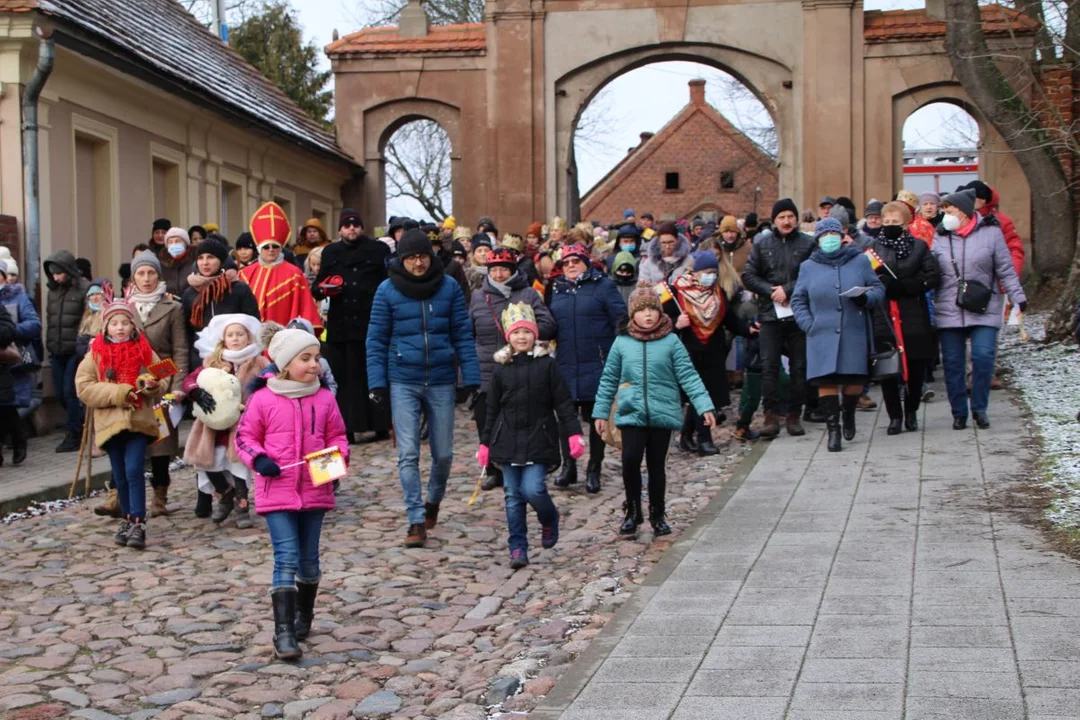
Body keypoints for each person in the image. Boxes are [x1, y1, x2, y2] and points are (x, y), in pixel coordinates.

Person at [235, 328, 348, 661]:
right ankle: (283, 633)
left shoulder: (325, 399)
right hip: (277, 493)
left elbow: (339, 438)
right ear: (285, 363)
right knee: (286, 558)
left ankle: (304, 615)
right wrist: (260, 459)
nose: (314, 365)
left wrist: (335, 460)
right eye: (306, 358)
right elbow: (244, 438)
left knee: (309, 562)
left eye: (316, 358)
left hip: (314, 491)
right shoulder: (263, 399)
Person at [366, 229, 480, 548]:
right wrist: (377, 382)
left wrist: (470, 376)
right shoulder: (387, 290)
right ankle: (415, 519)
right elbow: (375, 339)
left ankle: (433, 500)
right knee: (408, 453)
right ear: (402, 259)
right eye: (412, 257)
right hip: (403, 377)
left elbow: (462, 333)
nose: (418, 263)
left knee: (443, 454)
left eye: (423, 256)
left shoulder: (449, 288)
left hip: (442, 377)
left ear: (431, 257)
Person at [594, 282, 716, 537]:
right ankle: (632, 510)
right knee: (630, 461)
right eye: (642, 310)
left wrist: (704, 405)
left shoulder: (671, 342)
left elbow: (689, 376)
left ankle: (658, 513)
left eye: (652, 309)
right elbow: (608, 379)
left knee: (656, 466)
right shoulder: (622, 343)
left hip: (662, 412)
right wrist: (601, 411)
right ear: (632, 314)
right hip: (631, 412)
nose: (647, 315)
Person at [478, 303, 582, 569]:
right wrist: (485, 442)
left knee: (533, 489)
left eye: (527, 332)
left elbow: (563, 403)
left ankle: (549, 518)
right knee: (513, 497)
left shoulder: (547, 365)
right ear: (508, 336)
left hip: (539, 437)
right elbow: (492, 409)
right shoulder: (501, 369)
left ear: (535, 335)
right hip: (507, 441)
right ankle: (517, 548)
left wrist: (573, 434)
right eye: (516, 333)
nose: (522, 337)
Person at [932, 190, 1026, 429]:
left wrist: (1018, 298)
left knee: (983, 357)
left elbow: (1005, 269)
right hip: (949, 306)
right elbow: (932, 270)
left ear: (964, 211)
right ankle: (959, 412)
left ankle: (979, 407)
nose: (945, 214)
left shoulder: (991, 234)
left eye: (949, 210)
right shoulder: (940, 236)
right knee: (953, 362)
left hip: (984, 305)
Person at [75, 301, 165, 549]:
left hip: (139, 422)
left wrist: (151, 384)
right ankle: (126, 518)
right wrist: (118, 393)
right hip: (110, 424)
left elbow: (161, 377)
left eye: (125, 323)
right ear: (106, 327)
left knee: (134, 469)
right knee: (121, 475)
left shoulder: (144, 349)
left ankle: (138, 521)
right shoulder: (95, 354)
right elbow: (84, 387)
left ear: (133, 325)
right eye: (114, 323)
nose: (120, 328)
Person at [791, 218, 885, 452]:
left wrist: (866, 298)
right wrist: (807, 323)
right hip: (821, 332)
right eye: (825, 235)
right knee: (826, 381)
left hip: (853, 328)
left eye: (834, 233)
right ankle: (833, 430)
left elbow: (878, 288)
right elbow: (798, 298)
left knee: (854, 380)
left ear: (842, 236)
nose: (829, 238)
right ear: (818, 239)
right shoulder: (808, 266)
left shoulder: (860, 260)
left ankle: (849, 412)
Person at [469, 248, 556, 491]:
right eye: (494, 269)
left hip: (520, 364)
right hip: (486, 366)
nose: (498, 274)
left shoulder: (527, 293)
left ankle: (518, 462)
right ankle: (493, 469)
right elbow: (470, 330)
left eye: (503, 269)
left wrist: (524, 331)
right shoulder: (478, 297)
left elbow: (548, 324)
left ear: (512, 270)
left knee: (516, 416)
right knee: (487, 417)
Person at [547, 243, 627, 493]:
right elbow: (550, 322)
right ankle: (568, 466)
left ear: (586, 262)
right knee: (565, 419)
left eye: (575, 261)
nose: (570, 266)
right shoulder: (556, 289)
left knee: (597, 419)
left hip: (598, 362)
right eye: (566, 262)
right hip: (566, 363)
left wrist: (618, 352)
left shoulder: (603, 286)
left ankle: (594, 468)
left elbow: (620, 319)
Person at [313, 208, 391, 444]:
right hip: (342, 325)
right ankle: (347, 427)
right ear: (340, 229)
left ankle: (380, 425)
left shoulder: (378, 250)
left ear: (362, 227)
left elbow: (389, 281)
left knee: (374, 374)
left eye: (355, 224)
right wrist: (325, 289)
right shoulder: (331, 252)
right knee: (344, 380)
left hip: (371, 322)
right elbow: (316, 287)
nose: (352, 229)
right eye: (347, 225)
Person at [184, 313, 268, 529]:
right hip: (213, 425)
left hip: (244, 423)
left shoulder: (258, 362)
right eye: (230, 334)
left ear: (248, 337)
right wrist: (196, 393)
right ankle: (225, 494)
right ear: (223, 338)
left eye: (240, 334)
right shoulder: (213, 361)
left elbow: (270, 382)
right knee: (209, 462)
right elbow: (192, 380)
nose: (235, 338)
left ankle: (241, 504)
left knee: (238, 464)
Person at [742, 199, 814, 438]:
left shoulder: (807, 244)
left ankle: (794, 414)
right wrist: (771, 290)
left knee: (799, 367)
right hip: (770, 314)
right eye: (781, 217)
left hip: (798, 313)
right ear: (774, 220)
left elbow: (811, 273)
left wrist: (788, 290)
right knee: (769, 366)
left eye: (790, 216)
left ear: (796, 219)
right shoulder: (763, 244)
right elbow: (749, 275)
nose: (786, 221)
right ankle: (771, 415)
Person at [868, 201, 941, 435]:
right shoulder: (873, 248)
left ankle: (911, 410)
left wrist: (911, 286)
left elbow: (933, 275)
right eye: (886, 221)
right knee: (888, 367)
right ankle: (894, 416)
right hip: (884, 313)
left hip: (912, 312)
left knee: (916, 364)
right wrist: (883, 285)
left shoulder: (919, 247)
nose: (890, 225)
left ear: (906, 223)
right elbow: (866, 276)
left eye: (895, 222)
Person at [665, 251, 748, 455]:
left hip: (713, 350)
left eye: (713, 272)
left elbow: (729, 319)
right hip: (688, 351)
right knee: (697, 395)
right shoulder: (677, 293)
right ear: (695, 271)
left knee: (707, 396)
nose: (709, 276)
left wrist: (748, 330)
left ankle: (686, 435)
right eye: (706, 272)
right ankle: (704, 439)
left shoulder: (717, 292)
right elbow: (663, 322)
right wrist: (677, 324)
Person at [127, 250, 189, 516]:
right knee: (129, 440)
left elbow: (180, 350)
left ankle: (160, 496)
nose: (147, 278)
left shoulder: (172, 307)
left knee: (160, 444)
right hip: (130, 384)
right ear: (133, 278)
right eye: (141, 273)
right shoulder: (124, 308)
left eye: (151, 272)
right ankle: (123, 496)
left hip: (161, 381)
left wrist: (176, 386)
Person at [239, 202, 322, 329]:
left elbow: (305, 311)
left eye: (275, 246)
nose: (271, 250)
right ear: (259, 249)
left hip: (284, 339)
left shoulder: (295, 274)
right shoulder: (245, 274)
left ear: (281, 248)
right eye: (266, 247)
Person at [181, 236, 260, 370]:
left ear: (221, 261)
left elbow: (254, 325)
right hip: (201, 360)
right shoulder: (190, 293)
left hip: (237, 360)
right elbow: (188, 332)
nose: (205, 262)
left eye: (210, 257)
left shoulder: (238, 289)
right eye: (200, 258)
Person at [43, 249, 90, 452]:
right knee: (61, 393)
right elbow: (51, 320)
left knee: (70, 392)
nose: (55, 277)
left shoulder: (83, 289)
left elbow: (87, 319)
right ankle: (80, 424)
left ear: (68, 270)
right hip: (57, 349)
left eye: (59, 273)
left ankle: (74, 434)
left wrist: (82, 344)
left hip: (75, 349)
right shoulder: (52, 291)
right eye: (52, 273)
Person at [0, 262, 41, 465]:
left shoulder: (17, 297)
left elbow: (30, 325)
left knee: (6, 408)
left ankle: (19, 440)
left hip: (6, 363)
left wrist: (8, 331)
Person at [160, 227, 195, 297]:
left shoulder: (194, 261)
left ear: (185, 243)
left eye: (177, 241)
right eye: (170, 242)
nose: (174, 244)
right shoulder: (162, 264)